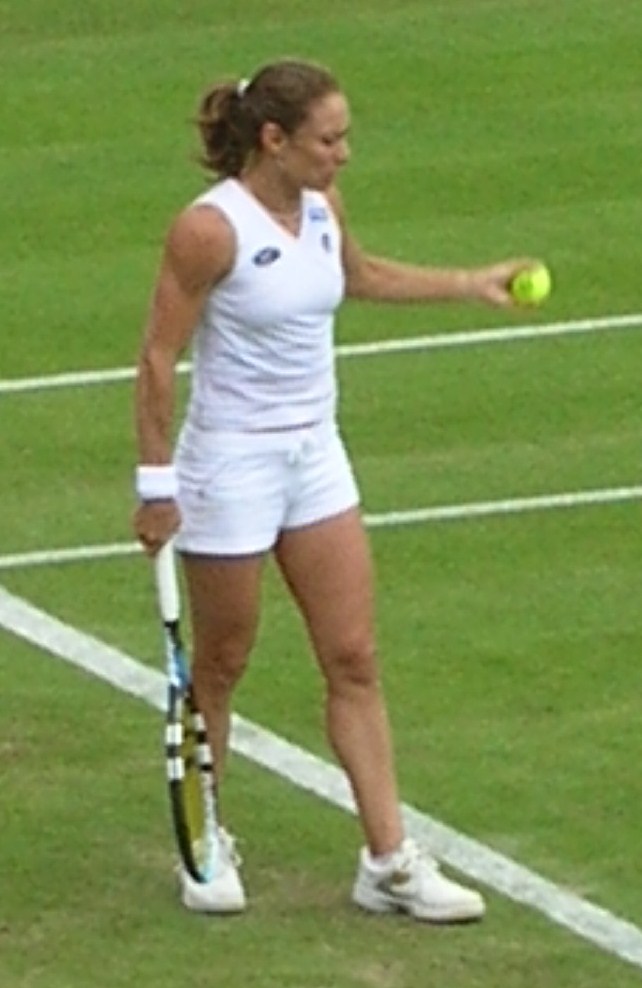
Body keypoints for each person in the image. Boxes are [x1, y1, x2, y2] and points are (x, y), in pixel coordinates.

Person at [133, 57, 536, 923]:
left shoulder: (321, 207)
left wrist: (469, 283)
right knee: (222, 662)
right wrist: (156, 484)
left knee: (353, 657)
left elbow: (358, 276)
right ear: (274, 140)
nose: (343, 153)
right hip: (230, 467)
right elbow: (159, 357)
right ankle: (206, 840)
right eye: (329, 140)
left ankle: (387, 861)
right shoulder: (208, 229)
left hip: (316, 459)